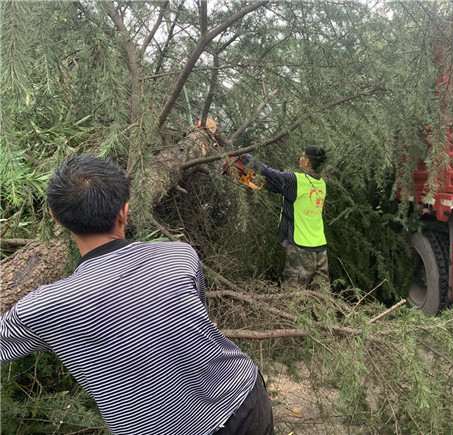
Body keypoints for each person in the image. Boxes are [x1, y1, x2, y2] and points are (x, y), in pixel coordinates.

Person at [0, 154, 273, 435]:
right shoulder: (179, 255)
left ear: (55, 216)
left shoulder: (43, 307)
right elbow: (202, 319)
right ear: (124, 211)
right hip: (245, 399)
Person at [245, 146, 330, 288]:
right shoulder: (321, 184)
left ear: (307, 161)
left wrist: (245, 157)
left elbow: (269, 173)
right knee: (321, 298)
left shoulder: (295, 180)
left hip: (301, 248)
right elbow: (279, 188)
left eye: (302, 156)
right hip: (320, 249)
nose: (300, 158)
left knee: (292, 297)